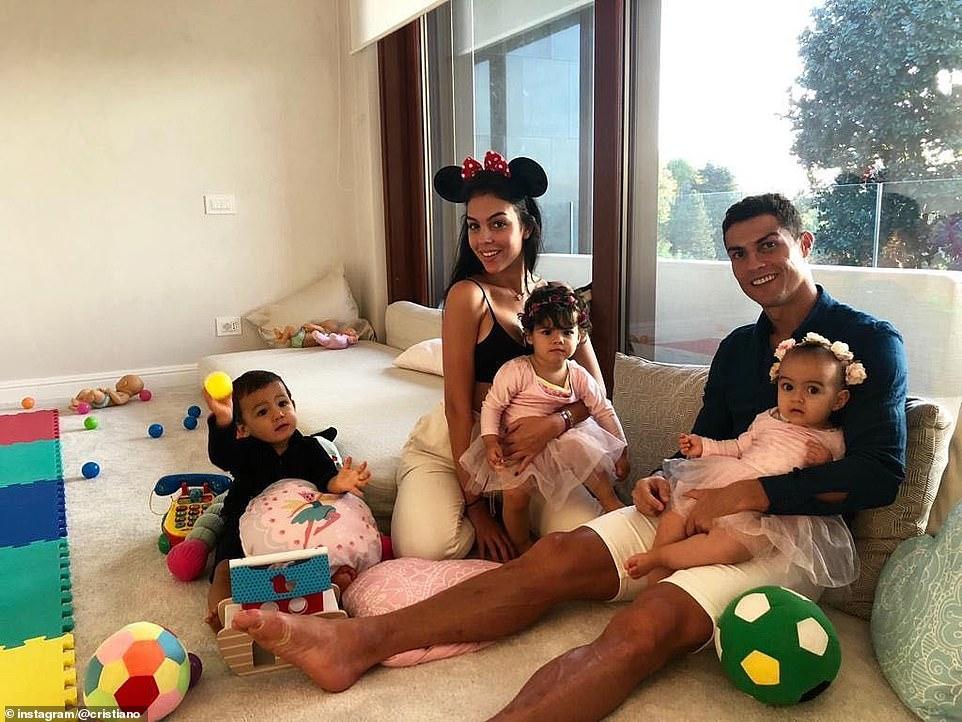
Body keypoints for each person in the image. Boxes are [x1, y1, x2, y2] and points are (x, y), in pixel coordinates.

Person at [230, 193, 907, 720]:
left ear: (803, 244)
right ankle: (356, 643)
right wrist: (659, 482)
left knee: (645, 625)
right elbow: (705, 441)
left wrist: (746, 496)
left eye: (768, 245)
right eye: (738, 252)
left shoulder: (871, 343)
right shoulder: (737, 349)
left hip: (785, 533)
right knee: (551, 557)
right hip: (698, 503)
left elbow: (878, 472)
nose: (754, 263)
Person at [392, 151, 612, 562]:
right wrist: (476, 506)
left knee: (584, 537)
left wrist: (554, 423)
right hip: (457, 451)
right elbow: (458, 407)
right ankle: (455, 498)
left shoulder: (556, 298)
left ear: (526, 227)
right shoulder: (468, 296)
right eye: (474, 226)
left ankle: (515, 514)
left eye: (498, 223)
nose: (484, 239)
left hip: (536, 454)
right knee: (426, 547)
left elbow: (596, 390)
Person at [625, 333, 866, 588]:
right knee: (678, 511)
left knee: (729, 547)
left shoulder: (833, 439)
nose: (798, 398)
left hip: (771, 509)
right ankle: (655, 575)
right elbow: (739, 446)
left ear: (838, 400)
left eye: (813, 390)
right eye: (788, 387)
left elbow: (834, 486)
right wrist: (704, 446)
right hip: (731, 475)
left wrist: (825, 463)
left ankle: (660, 557)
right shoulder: (767, 419)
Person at [460, 282, 627, 552]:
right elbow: (492, 407)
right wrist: (490, 442)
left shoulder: (579, 375)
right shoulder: (517, 371)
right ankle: (522, 543)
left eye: (567, 332)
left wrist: (621, 450)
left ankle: (611, 503)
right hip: (518, 446)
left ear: (579, 336)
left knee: (586, 453)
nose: (557, 339)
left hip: (563, 439)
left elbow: (602, 408)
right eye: (547, 332)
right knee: (515, 496)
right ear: (529, 336)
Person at [204, 369, 371, 629]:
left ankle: (326, 594)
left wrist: (340, 482)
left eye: (282, 403)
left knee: (314, 560)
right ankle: (225, 615)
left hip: (295, 528)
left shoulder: (310, 447)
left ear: (293, 404)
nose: (278, 414)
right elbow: (221, 456)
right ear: (243, 429)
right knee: (226, 567)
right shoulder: (244, 451)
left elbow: (325, 478)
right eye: (263, 412)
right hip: (243, 521)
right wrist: (223, 420)